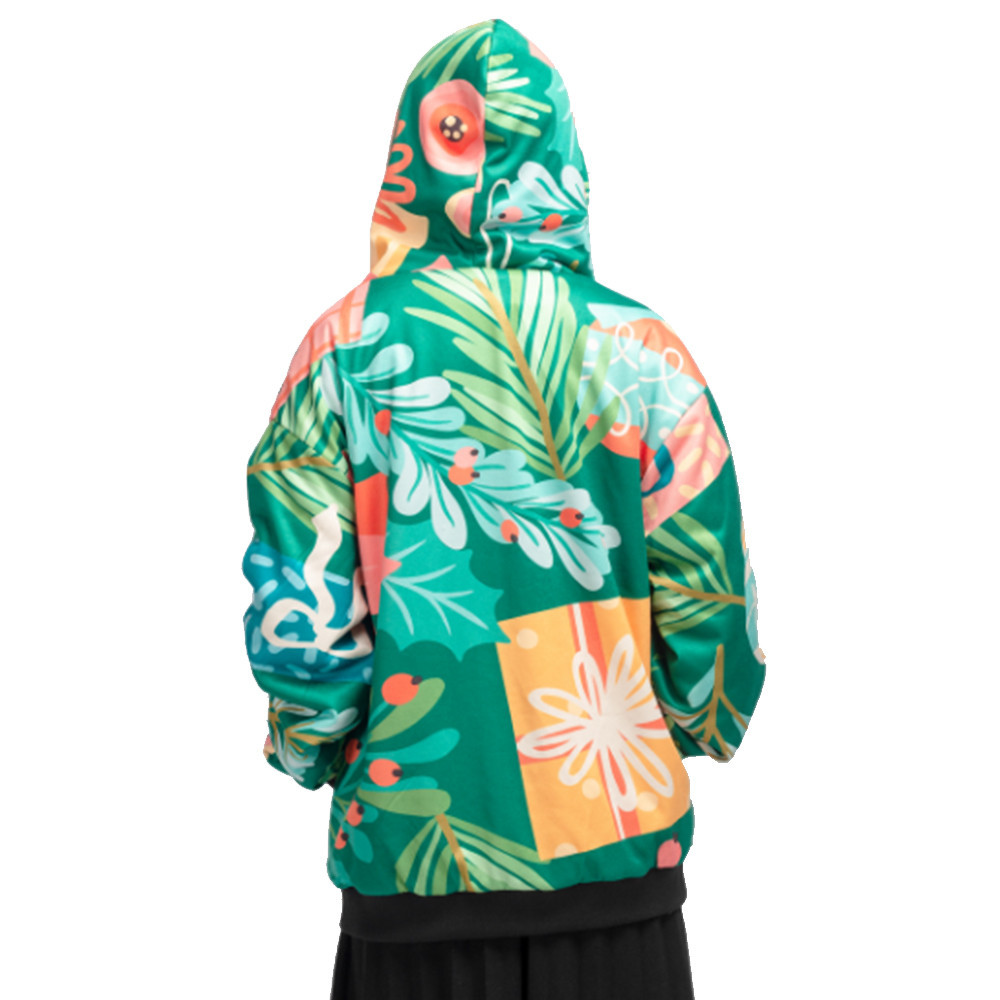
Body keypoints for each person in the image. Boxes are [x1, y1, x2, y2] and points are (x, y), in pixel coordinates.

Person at [240, 17, 767, 999]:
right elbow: (712, 601)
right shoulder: (646, 354)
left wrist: (316, 746)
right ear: (561, 155)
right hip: (619, 876)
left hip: (414, 872)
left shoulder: (339, 350)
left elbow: (301, 623)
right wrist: (689, 724)